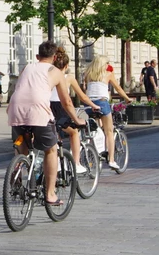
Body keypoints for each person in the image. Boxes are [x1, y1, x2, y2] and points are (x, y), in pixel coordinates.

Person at [8, 41, 97, 205]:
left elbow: (17, 89)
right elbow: (66, 102)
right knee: (51, 150)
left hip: (16, 110)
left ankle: (16, 182)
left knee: (22, 151)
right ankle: (50, 195)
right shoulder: (56, 72)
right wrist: (77, 120)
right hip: (39, 112)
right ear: (54, 57)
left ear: (37, 56)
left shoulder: (27, 67)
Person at [83, 56, 133, 172]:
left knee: (95, 129)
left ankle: (94, 151)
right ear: (103, 64)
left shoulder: (88, 74)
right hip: (102, 102)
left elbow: (86, 88)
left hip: (89, 104)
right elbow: (119, 89)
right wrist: (127, 98)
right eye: (107, 63)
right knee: (109, 131)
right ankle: (111, 160)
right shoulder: (107, 74)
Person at [50, 47, 93, 174]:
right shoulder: (68, 77)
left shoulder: (49, 75)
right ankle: (76, 163)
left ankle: (57, 162)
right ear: (67, 65)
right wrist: (93, 105)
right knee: (74, 132)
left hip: (47, 106)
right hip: (61, 107)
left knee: (55, 134)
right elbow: (82, 96)